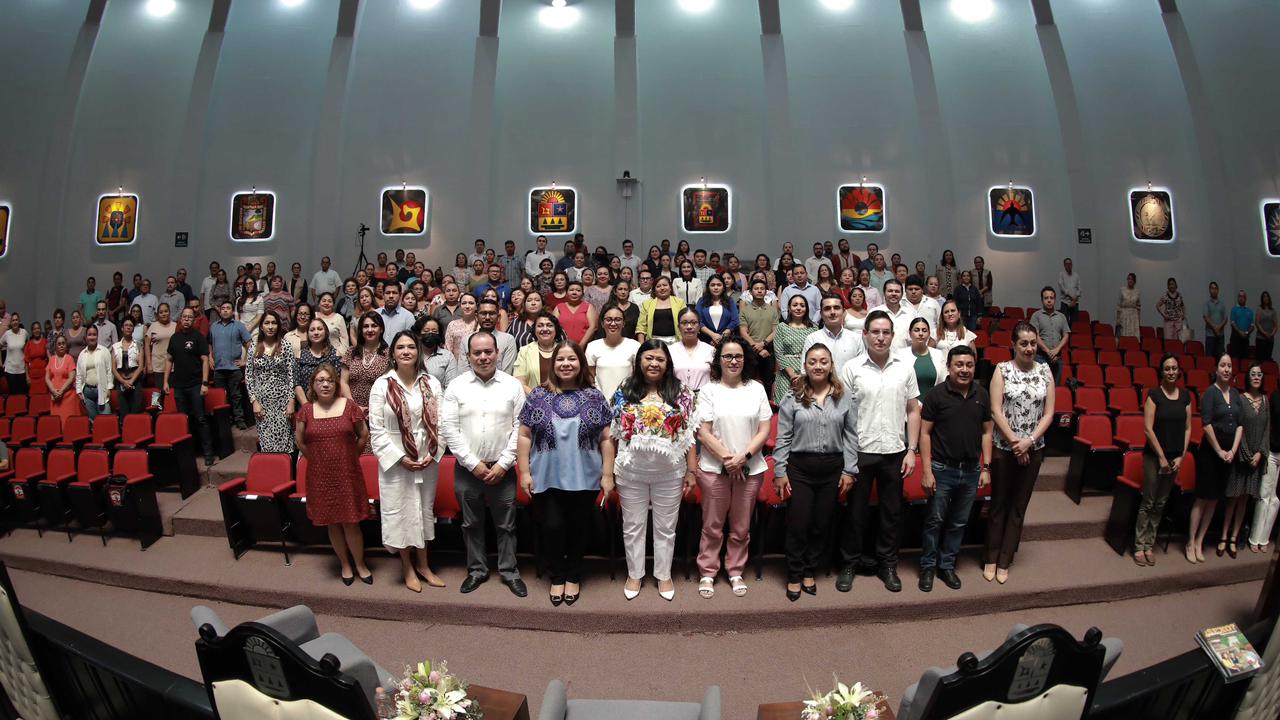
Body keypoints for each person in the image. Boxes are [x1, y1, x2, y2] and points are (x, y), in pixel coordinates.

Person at [516, 341, 611, 607]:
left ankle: (574, 575)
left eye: (572, 359)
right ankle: (556, 575)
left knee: (580, 528)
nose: (566, 364)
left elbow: (606, 439)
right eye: (560, 360)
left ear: (580, 363)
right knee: (553, 526)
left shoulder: (594, 395)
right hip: (546, 475)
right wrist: (524, 471)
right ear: (552, 364)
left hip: (585, 475)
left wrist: (607, 474)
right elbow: (524, 435)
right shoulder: (537, 395)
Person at [606, 340, 698, 601]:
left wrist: (691, 472)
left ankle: (663, 574)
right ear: (639, 361)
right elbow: (613, 434)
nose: (654, 363)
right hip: (631, 471)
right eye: (649, 358)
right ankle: (635, 573)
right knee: (633, 525)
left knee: (666, 527)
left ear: (668, 363)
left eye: (659, 359)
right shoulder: (625, 390)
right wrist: (608, 472)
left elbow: (689, 436)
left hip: (670, 472)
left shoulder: (681, 392)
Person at [440, 331, 528, 597]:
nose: (483, 357)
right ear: (468, 356)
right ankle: (476, 571)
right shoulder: (456, 386)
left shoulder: (512, 385)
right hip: (468, 471)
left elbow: (520, 427)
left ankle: (509, 571)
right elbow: (449, 429)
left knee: (507, 525)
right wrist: (472, 463)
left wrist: (503, 464)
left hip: (504, 469)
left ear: (497, 353)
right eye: (477, 353)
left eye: (488, 352)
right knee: (471, 524)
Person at [838, 310, 921, 593]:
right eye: (875, 332)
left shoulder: (904, 367)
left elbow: (913, 409)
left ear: (892, 336)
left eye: (886, 332)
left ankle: (887, 565)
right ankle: (849, 564)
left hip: (895, 452)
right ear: (865, 334)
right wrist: (846, 457)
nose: (881, 337)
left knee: (891, 513)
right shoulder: (851, 368)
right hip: (860, 451)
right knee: (856, 513)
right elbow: (842, 413)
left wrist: (912, 450)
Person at [773, 344, 859, 601]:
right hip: (800, 468)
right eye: (812, 362)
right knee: (799, 524)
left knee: (821, 524)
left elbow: (851, 437)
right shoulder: (793, 397)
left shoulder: (844, 397)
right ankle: (794, 573)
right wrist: (780, 471)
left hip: (832, 469)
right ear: (805, 365)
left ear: (831, 365)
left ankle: (810, 569)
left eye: (823, 361)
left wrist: (849, 470)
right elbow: (783, 437)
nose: (818, 366)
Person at [367, 332, 447, 592]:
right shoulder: (381, 385)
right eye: (400, 347)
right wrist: (400, 458)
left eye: (411, 346)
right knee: (401, 513)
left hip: (426, 457)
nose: (406, 351)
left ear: (418, 351)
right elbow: (376, 428)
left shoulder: (431, 383)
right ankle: (407, 567)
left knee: (423, 511)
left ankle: (424, 565)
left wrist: (432, 454)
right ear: (392, 353)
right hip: (395, 460)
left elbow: (442, 422)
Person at [695, 337, 772, 599]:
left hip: (750, 469)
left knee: (740, 526)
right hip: (714, 468)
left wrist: (744, 457)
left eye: (738, 356)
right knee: (712, 524)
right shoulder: (709, 390)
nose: (733, 361)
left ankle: (735, 569)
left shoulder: (757, 389)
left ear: (745, 359)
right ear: (719, 360)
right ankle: (708, 571)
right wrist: (729, 459)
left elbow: (764, 430)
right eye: (727, 356)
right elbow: (703, 433)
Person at [985, 322, 1054, 584]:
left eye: (1033, 343)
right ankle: (990, 557)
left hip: (1034, 449)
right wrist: (1016, 443)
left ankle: (1005, 559)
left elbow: (1048, 413)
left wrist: (1030, 442)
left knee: (1018, 507)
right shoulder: (1001, 370)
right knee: (999, 504)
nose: (1029, 348)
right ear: (1013, 344)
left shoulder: (1046, 371)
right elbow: (995, 410)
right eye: (1023, 343)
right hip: (1005, 448)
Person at [918, 346, 992, 592]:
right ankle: (927, 567)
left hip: (971, 470)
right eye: (959, 365)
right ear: (949, 367)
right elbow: (925, 434)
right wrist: (927, 471)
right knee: (934, 521)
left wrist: (986, 467)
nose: (964, 370)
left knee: (959, 522)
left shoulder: (982, 394)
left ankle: (946, 566)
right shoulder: (936, 395)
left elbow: (987, 432)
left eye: (969, 365)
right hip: (941, 469)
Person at [296, 363, 372, 586]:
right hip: (320, 475)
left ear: (336, 383)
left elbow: (363, 435)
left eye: (329, 380)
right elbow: (300, 441)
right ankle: (345, 565)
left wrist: (349, 456)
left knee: (351, 522)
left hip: (347, 473)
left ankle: (360, 564)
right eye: (320, 380)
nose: (325, 384)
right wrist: (317, 458)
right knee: (333, 523)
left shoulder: (349, 406)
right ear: (313, 385)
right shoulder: (306, 411)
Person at [1132, 354, 1191, 566]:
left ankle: (1150, 544)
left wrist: (1181, 457)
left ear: (1179, 371)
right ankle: (1139, 546)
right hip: (1154, 457)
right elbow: (1148, 429)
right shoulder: (1154, 395)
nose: (1171, 372)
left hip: (1175, 459)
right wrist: (1162, 457)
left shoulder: (1185, 396)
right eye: (1167, 368)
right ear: (1162, 372)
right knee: (1148, 502)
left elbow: (1187, 428)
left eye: (1174, 368)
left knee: (1161, 503)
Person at [1189, 354, 1242, 562]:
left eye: (1229, 365)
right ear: (1216, 369)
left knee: (1214, 501)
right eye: (1223, 365)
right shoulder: (1211, 392)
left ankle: (1200, 541)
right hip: (1211, 454)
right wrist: (1220, 450)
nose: (1227, 369)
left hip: (1228, 456)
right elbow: (1206, 423)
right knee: (1202, 499)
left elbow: (1239, 425)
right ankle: (1190, 542)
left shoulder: (1236, 394)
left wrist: (1232, 450)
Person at [1222, 365, 1269, 559]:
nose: (1256, 377)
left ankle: (1234, 537)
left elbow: (1267, 430)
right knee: (1233, 498)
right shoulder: (1241, 399)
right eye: (1253, 374)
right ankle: (1223, 537)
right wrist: (1248, 453)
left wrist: (1259, 454)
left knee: (1244, 500)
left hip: (1256, 460)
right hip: (1241, 458)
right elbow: (1238, 428)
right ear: (1247, 378)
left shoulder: (1266, 400)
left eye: (1259, 374)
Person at [164, 308, 215, 466]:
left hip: (195, 385)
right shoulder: (174, 338)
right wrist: (166, 381)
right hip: (179, 387)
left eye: (189, 317)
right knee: (184, 421)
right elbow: (169, 360)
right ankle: (188, 454)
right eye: (184, 317)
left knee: (200, 419)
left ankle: (208, 453)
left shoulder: (198, 337)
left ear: (194, 320)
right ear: (180, 319)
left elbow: (205, 360)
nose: (186, 319)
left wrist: (205, 383)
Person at [245, 314, 297, 454]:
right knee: (266, 442)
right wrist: (254, 401)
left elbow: (291, 374)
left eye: (273, 323)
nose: (270, 326)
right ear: (261, 326)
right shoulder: (254, 346)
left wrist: (291, 401)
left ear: (278, 326)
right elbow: (249, 376)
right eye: (267, 323)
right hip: (262, 403)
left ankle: (286, 473)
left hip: (282, 402)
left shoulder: (285, 345)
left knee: (285, 441)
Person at [210, 301, 253, 431]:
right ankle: (226, 422)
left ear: (232, 311)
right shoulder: (213, 326)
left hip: (234, 369)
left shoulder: (239, 325)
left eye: (228, 308)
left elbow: (249, 344)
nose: (225, 310)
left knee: (236, 396)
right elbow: (209, 344)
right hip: (218, 369)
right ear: (220, 311)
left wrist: (245, 360)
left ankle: (239, 420)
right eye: (223, 308)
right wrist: (210, 358)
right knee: (222, 397)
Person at [1249, 384, 1280, 552]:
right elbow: (1266, 426)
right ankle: (1255, 538)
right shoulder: (1273, 397)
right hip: (1272, 452)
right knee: (1264, 496)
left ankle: (1264, 538)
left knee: (1275, 499)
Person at [586, 306, 640, 399]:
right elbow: (590, 378)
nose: (613, 323)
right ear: (602, 323)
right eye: (608, 319)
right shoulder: (592, 346)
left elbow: (638, 378)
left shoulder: (634, 346)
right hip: (601, 401)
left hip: (627, 402)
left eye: (618, 319)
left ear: (623, 323)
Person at [803, 293, 866, 372]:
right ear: (821, 314)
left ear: (843, 312)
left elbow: (862, 370)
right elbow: (805, 371)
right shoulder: (812, 339)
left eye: (836, 308)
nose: (832, 312)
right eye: (827, 308)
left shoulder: (856, 339)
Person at [340, 312, 389, 412]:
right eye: (366, 326)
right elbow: (343, 382)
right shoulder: (351, 351)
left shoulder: (389, 354)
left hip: (379, 409)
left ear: (381, 329)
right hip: (351, 408)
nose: (370, 330)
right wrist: (354, 406)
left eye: (374, 326)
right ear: (361, 330)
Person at [773, 295, 817, 405]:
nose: (798, 308)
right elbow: (778, 352)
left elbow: (816, 353)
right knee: (785, 407)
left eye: (802, 305)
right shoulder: (782, 327)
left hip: (807, 372)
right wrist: (792, 375)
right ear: (789, 308)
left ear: (806, 308)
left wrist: (804, 374)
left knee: (807, 408)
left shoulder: (814, 328)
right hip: (786, 373)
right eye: (795, 305)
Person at [295, 318, 344, 408]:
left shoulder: (335, 354)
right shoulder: (300, 355)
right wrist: (307, 407)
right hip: (306, 406)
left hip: (330, 406)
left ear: (326, 332)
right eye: (312, 330)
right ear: (308, 333)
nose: (316, 333)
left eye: (320, 329)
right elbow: (296, 384)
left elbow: (339, 383)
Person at [513, 312, 562, 393]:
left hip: (561, 401)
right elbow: (520, 382)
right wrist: (537, 399)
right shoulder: (524, 351)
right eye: (540, 326)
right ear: (534, 329)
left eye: (549, 325)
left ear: (556, 329)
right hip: (532, 401)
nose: (545, 329)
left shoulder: (564, 350)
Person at [669, 307, 715, 392]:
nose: (689, 327)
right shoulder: (670, 351)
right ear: (678, 327)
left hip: (704, 399)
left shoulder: (710, 350)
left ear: (699, 326)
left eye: (693, 323)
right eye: (684, 323)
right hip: (676, 398)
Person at [900, 317, 946, 400]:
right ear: (910, 333)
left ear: (929, 334)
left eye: (924, 330)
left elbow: (943, 382)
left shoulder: (938, 354)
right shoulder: (901, 354)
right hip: (908, 406)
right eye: (916, 330)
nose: (920, 333)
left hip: (933, 407)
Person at [1029, 286, 1069, 380]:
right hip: (1040, 357)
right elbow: (1035, 336)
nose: (1049, 300)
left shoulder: (1062, 316)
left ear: (1055, 299)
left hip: (1057, 358)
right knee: (1040, 388)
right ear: (1042, 300)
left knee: (1056, 389)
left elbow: (1066, 335)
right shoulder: (1036, 316)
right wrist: (1048, 351)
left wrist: (1056, 351)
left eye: (1051, 298)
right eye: (1046, 298)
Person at [74, 327, 111, 421]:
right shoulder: (82, 354)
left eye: (94, 334)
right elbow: (78, 375)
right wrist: (78, 391)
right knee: (93, 421)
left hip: (101, 390)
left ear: (97, 336)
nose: (92, 337)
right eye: (89, 335)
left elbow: (109, 371)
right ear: (86, 337)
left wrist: (109, 388)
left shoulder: (104, 351)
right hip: (87, 392)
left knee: (105, 420)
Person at [636, 276, 685, 344]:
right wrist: (642, 345)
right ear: (654, 289)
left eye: (665, 285)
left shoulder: (680, 302)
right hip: (653, 342)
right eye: (658, 286)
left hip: (676, 341)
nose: (662, 288)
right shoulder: (647, 304)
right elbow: (641, 327)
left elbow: (685, 323)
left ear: (670, 287)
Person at [111, 317, 144, 417]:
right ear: (122, 328)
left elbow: (141, 366)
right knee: (123, 412)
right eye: (126, 325)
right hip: (121, 383)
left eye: (131, 326)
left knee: (136, 411)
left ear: (133, 329)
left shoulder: (138, 345)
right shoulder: (115, 346)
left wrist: (131, 381)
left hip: (135, 382)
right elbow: (113, 368)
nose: (128, 327)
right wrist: (123, 382)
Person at [868, 279, 914, 350]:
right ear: (884, 293)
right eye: (890, 291)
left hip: (905, 358)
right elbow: (866, 337)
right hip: (880, 357)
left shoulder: (911, 314)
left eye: (897, 291)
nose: (893, 294)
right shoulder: (874, 313)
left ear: (902, 294)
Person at [694, 275, 739, 345]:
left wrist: (721, 337)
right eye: (712, 285)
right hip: (705, 341)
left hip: (725, 341)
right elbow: (697, 320)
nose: (716, 287)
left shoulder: (730, 301)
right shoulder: (701, 301)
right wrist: (712, 335)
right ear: (708, 287)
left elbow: (735, 320)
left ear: (723, 287)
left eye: (719, 285)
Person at [557, 281, 600, 349]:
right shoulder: (559, 307)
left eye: (578, 290)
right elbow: (552, 326)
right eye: (571, 290)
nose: (574, 292)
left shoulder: (588, 306)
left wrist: (581, 345)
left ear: (582, 294)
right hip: (561, 347)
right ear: (566, 293)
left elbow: (593, 327)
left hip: (584, 347)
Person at [45, 335, 77, 422]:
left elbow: (71, 378)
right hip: (55, 398)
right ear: (55, 346)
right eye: (59, 344)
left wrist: (61, 391)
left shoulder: (69, 358)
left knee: (68, 422)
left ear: (66, 345)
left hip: (67, 397)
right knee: (56, 423)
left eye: (63, 343)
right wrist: (53, 391)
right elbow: (47, 378)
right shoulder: (51, 359)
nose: (61, 345)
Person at [414, 316, 452, 388]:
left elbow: (451, 385)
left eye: (434, 331)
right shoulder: (412, 354)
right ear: (419, 334)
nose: (430, 334)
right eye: (426, 331)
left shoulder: (447, 356)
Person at [443, 294, 479, 359]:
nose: (467, 306)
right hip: (457, 365)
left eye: (471, 303)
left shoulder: (481, 324)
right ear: (460, 306)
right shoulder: (452, 325)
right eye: (464, 303)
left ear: (476, 306)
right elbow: (448, 349)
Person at [2, 313, 30, 395]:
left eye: (16, 320)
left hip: (22, 369)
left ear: (19, 321)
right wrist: (0, 362)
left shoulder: (24, 332)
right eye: (13, 320)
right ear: (10, 323)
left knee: (23, 395)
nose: (15, 322)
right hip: (10, 370)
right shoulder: (7, 334)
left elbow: (28, 346)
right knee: (13, 396)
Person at [316, 292, 350, 358]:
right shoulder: (314, 316)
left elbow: (345, 340)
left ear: (333, 304)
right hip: (316, 354)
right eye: (324, 301)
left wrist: (337, 354)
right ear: (319, 304)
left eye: (330, 301)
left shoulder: (339, 318)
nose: (326, 303)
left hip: (335, 355)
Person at [1204, 281, 1227, 358]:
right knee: (1209, 359)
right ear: (1209, 290)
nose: (1213, 290)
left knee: (1220, 359)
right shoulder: (1207, 303)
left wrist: (1219, 328)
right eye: (1212, 288)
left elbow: (1225, 318)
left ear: (1218, 290)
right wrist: (1215, 328)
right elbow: (1206, 317)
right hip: (1210, 335)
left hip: (1220, 336)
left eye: (1215, 288)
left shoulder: (1222, 304)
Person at [1230, 291, 1255, 360]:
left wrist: (1246, 332)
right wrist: (1239, 332)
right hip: (1235, 338)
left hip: (1245, 338)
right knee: (1235, 358)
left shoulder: (1249, 311)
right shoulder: (1234, 309)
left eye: (1243, 296)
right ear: (1238, 298)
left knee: (1245, 359)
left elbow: (1252, 325)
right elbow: (1232, 323)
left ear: (1245, 298)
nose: (1241, 298)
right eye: (1240, 296)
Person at [1117, 273, 1141, 338]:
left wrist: (1138, 320)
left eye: (1132, 279)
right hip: (1124, 314)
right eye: (1129, 279)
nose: (1130, 280)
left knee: (1133, 335)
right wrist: (1118, 319)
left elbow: (1139, 306)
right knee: (1124, 334)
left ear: (1134, 281)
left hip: (1134, 316)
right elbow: (1118, 306)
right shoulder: (1122, 290)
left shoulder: (1137, 292)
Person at [1057, 258, 1081, 324]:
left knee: (1075, 323)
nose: (1068, 265)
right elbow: (1062, 288)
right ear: (1064, 265)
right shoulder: (1061, 274)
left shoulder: (1076, 275)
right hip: (1065, 302)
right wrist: (1071, 297)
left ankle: (1074, 334)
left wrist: (1075, 298)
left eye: (1070, 264)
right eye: (1067, 264)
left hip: (1075, 302)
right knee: (1065, 322)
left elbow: (1079, 289)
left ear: (1072, 265)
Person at [23, 322, 46, 388]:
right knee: (33, 397)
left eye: (38, 328)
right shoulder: (28, 344)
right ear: (32, 331)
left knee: (43, 397)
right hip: (32, 376)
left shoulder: (45, 342)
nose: (37, 330)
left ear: (41, 330)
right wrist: (27, 377)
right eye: (34, 329)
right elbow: (26, 362)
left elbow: (49, 360)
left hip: (43, 376)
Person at [1256, 292, 1276, 362]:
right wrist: (1264, 333)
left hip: (1270, 339)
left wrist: (1271, 334)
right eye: (1264, 296)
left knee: (1267, 360)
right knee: (1260, 360)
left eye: (1267, 296)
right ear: (1262, 299)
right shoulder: (1259, 309)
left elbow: (1276, 325)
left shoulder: (1273, 311)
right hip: (1260, 338)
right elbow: (1257, 323)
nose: (1266, 298)